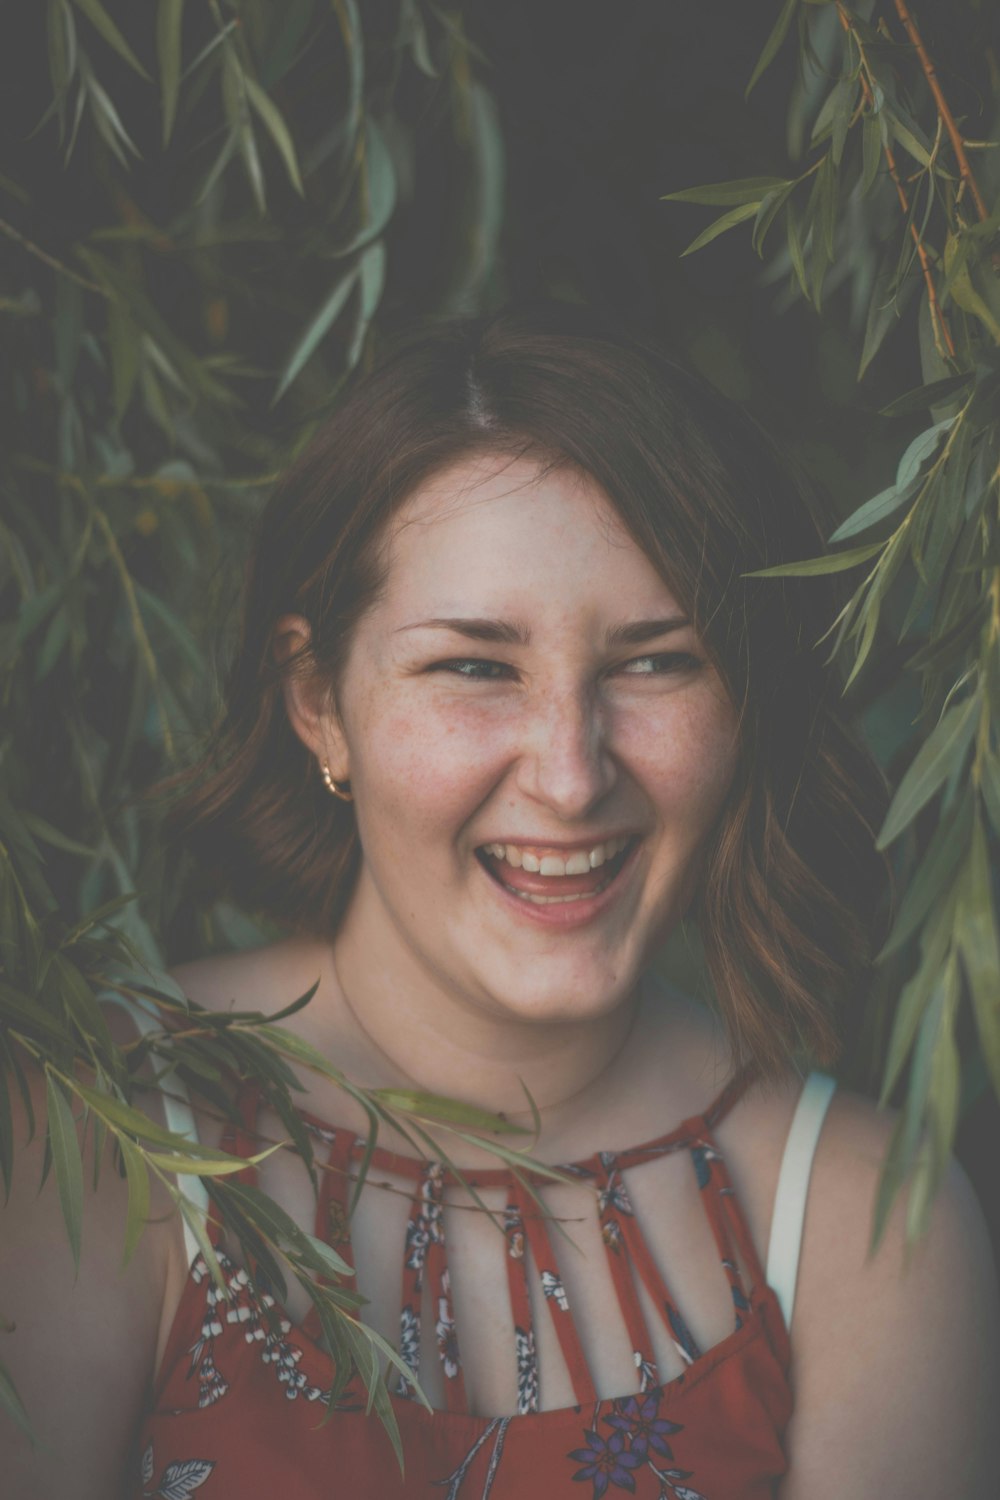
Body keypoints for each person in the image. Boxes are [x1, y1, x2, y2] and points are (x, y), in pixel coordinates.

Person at [2, 304, 997, 1499]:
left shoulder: (862, 1231)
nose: (571, 775)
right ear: (319, 704)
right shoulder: (92, 1133)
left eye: (656, 662)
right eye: (474, 667)